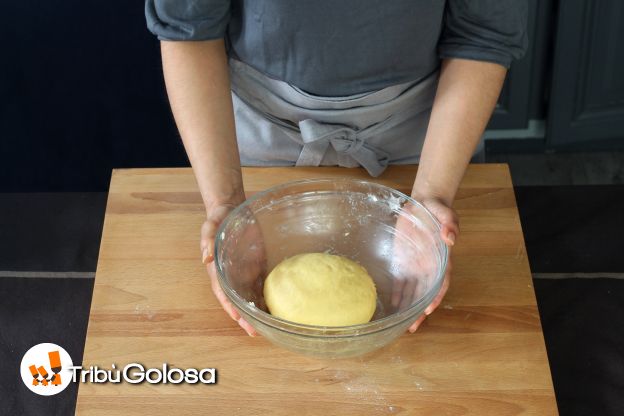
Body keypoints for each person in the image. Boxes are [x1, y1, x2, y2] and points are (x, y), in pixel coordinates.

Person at [145, 0, 528, 336]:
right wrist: (226, 203)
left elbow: (483, 34)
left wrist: (432, 197)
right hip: (251, 136)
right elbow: (188, 28)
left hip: (429, 136)